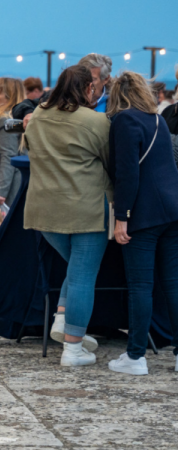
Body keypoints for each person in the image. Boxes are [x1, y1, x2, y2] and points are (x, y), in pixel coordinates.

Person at [24, 65, 111, 367]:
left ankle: (64, 322)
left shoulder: (37, 117)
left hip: (44, 210)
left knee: (75, 271)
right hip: (85, 209)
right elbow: (111, 161)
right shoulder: (96, 120)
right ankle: (73, 349)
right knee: (83, 276)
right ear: (89, 89)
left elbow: (27, 148)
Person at [105, 72, 178, 375]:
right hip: (172, 210)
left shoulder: (124, 121)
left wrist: (122, 217)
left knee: (140, 287)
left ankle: (135, 356)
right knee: (173, 284)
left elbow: (127, 175)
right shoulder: (158, 119)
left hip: (144, 214)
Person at [0, 78, 26, 206]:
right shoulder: (18, 119)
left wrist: (0, 191)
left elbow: (8, 157)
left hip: (12, 190)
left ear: (9, 98)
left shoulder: (5, 121)